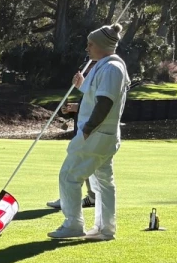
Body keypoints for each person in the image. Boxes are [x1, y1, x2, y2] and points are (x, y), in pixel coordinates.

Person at [48, 24, 129, 241]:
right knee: (102, 182)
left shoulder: (111, 68)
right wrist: (82, 86)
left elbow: (105, 103)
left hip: (95, 135)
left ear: (102, 45)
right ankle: (105, 229)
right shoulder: (106, 67)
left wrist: (88, 129)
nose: (87, 48)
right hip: (104, 136)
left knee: (69, 176)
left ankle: (73, 224)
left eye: (91, 44)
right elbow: (96, 95)